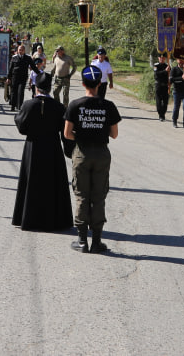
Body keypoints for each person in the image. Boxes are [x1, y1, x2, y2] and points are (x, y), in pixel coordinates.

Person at [64, 65, 121, 253]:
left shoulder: (75, 105)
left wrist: (82, 135)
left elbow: (67, 134)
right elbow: (114, 134)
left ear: (83, 84)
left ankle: (82, 241)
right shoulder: (108, 106)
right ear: (99, 84)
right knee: (98, 196)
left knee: (81, 195)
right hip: (101, 154)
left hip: (81, 153)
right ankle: (96, 241)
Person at [12, 72, 74, 231]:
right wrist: (70, 151)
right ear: (49, 88)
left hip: (32, 147)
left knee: (31, 182)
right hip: (52, 149)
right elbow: (65, 133)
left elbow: (22, 128)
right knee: (52, 183)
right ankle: (54, 220)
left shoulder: (28, 105)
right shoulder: (59, 107)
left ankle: (29, 219)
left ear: (36, 87)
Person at [8, 43, 36, 111]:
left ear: (24, 50)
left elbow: (33, 66)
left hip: (23, 77)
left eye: (22, 50)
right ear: (17, 50)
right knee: (14, 91)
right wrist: (8, 78)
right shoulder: (14, 57)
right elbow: (10, 68)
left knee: (21, 91)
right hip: (15, 77)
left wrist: (39, 73)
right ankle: (13, 106)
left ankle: (19, 106)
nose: (21, 51)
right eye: (19, 50)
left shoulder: (28, 58)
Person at [170, 56, 184, 130]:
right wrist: (181, 78)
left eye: (182, 59)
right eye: (179, 59)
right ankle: (174, 121)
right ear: (177, 60)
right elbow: (171, 79)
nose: (181, 61)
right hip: (177, 91)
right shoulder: (174, 69)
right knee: (176, 107)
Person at [152, 56, 170, 120]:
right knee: (158, 101)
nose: (162, 59)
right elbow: (156, 74)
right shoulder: (156, 66)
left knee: (165, 102)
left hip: (165, 85)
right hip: (158, 85)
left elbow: (170, 75)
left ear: (165, 58)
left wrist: (169, 82)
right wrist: (165, 71)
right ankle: (160, 114)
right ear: (158, 58)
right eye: (160, 58)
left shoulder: (167, 66)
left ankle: (163, 114)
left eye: (163, 58)